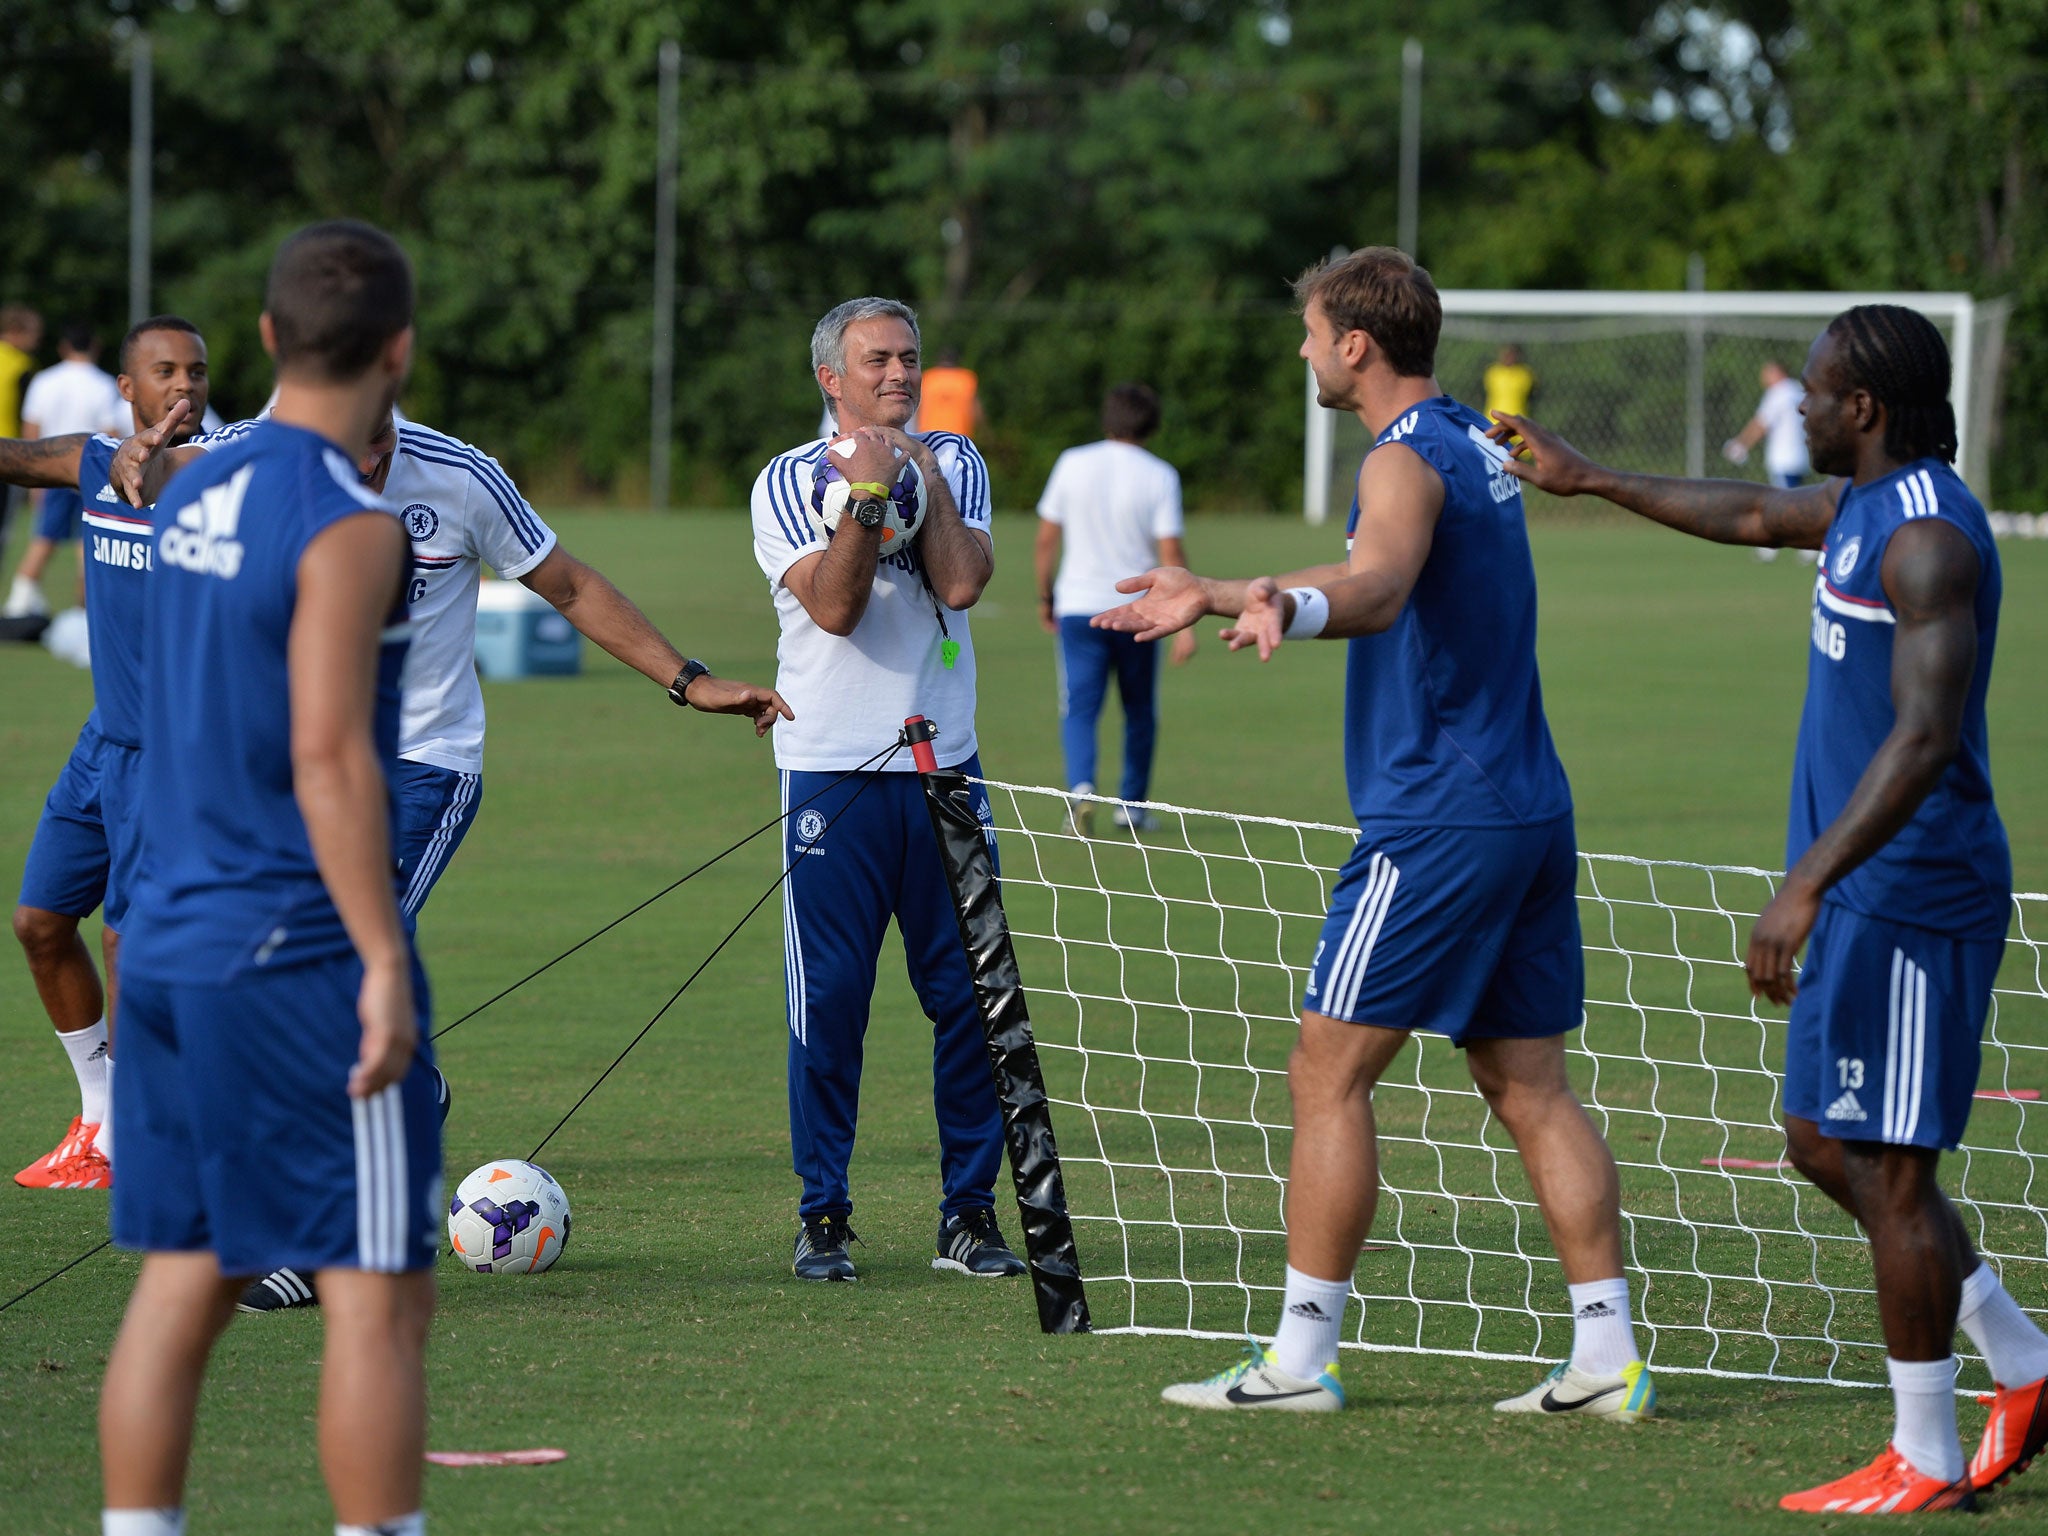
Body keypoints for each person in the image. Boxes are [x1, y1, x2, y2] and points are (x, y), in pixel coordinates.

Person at [1490, 305, 2048, 1514]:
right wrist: (1583, 478)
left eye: (1811, 390)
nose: (1793, 405)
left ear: (1863, 409)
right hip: (1857, 891)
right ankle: (2023, 1358)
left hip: (1909, 895)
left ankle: (1929, 1457)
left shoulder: (1928, 540)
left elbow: (1921, 736)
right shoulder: (1856, 512)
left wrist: (1801, 882)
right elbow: (1745, 512)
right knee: (1816, 1140)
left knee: (1891, 1172)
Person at [1096, 247, 1652, 1423]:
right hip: (1524, 807)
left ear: (1355, 342)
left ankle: (1297, 1362)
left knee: (1325, 1069)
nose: (1301, 350)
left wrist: (1283, 610)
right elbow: (1372, 564)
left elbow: (1379, 583)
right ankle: (1605, 1355)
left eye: (1308, 332)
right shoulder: (1463, 444)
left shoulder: (1398, 456)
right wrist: (1213, 589)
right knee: (1527, 1083)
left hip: (1438, 818)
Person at [125, 399, 791, 1319]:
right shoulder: (250, 457)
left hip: (419, 766)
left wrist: (690, 681)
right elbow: (162, 478)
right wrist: (143, 465)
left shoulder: (459, 474)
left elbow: (567, 584)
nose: (363, 473)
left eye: (378, 451)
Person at [100, 219, 436, 1536]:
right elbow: (330, 758)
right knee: (375, 1293)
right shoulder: (348, 525)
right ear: (399, 350)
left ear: (263, 339)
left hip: (169, 942)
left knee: (184, 1277)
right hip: (287, 952)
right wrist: (383, 961)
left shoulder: (189, 493)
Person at [750, 295, 1024, 1283]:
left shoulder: (956, 460)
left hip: (945, 771)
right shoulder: (783, 482)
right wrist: (866, 498)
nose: (899, 374)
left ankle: (967, 1215)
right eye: (877, 360)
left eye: (907, 357)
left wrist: (921, 484)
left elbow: (959, 584)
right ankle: (822, 1215)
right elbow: (833, 605)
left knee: (971, 1002)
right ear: (831, 376)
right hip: (832, 771)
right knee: (828, 1002)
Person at [0, 315, 213, 1192]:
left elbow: (171, 466)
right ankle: (99, 1119)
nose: (185, 387)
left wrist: (149, 460)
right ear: (126, 388)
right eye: (164, 372)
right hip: (103, 742)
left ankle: (147, 1139)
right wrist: (120, 456)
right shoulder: (94, 461)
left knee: (132, 943)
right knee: (41, 926)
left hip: (174, 753)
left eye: (197, 372)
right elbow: (15, 456)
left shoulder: (217, 474)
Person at [1032, 382, 1195, 831]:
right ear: (1152, 424)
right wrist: (1185, 623)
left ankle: (1082, 789)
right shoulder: (1159, 474)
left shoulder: (1072, 462)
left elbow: (1047, 540)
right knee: (1139, 707)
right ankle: (1132, 806)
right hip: (1137, 609)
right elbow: (1171, 554)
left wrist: (1046, 597)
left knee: (1080, 706)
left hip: (1079, 606)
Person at [5, 324, 126, 617]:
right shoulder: (104, 384)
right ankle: (84, 610)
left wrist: (32, 478)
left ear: (63, 347)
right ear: (94, 347)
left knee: (43, 538)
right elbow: (111, 435)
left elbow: (31, 430)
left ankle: (18, 602)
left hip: (50, 470)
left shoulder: (45, 380)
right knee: (87, 543)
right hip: (90, 472)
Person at [1725, 359, 1814, 564]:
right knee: (1793, 500)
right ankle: (1785, 546)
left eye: (1766, 373)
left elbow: (1761, 423)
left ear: (1776, 372)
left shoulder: (1778, 393)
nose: (1763, 378)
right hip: (1801, 455)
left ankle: (1797, 545)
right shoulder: (1796, 390)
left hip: (1783, 457)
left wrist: (1741, 444)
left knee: (1785, 505)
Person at [0, 304, 42, 560]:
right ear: (16, 331)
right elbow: (29, 416)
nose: (37, 340)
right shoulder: (22, 365)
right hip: (7, 452)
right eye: (33, 333)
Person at [918, 347, 982, 438]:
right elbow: (975, 409)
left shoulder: (927, 377)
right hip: (960, 434)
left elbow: (918, 407)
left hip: (929, 434)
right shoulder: (967, 378)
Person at [1482, 343, 1534, 422]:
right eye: (1505, 355)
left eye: (1511, 355)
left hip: (1517, 420)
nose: (1508, 358)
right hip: (1493, 419)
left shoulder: (1524, 374)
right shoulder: (1493, 372)